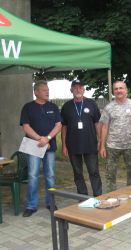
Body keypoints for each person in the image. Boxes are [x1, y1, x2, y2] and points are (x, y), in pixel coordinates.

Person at [20, 80, 62, 217]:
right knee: (33, 175)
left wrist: (48, 138)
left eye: (48, 89)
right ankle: (31, 205)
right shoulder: (28, 107)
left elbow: (59, 125)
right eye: (44, 90)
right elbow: (25, 126)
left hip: (49, 147)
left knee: (50, 175)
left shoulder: (53, 107)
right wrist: (40, 139)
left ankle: (51, 202)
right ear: (36, 92)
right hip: (34, 147)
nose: (47, 92)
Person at [61, 79, 102, 197]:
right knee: (78, 172)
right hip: (73, 145)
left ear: (84, 89)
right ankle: (82, 196)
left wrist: (100, 141)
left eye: (80, 87)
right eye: (75, 88)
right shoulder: (66, 106)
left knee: (94, 171)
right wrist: (64, 145)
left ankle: (98, 195)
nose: (78, 90)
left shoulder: (91, 103)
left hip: (90, 144)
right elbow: (64, 127)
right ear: (71, 90)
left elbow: (97, 123)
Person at [100, 81, 131, 192]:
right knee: (110, 173)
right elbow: (104, 127)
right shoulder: (108, 107)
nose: (119, 91)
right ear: (113, 92)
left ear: (126, 90)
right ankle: (112, 195)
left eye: (121, 88)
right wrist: (102, 146)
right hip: (113, 145)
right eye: (116, 89)